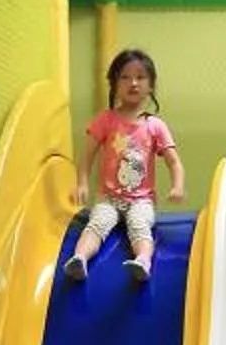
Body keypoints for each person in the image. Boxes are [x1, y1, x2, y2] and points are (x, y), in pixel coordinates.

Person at [67, 48, 183, 286]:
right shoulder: (106, 120)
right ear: (114, 84)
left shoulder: (155, 125)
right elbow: (86, 155)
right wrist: (81, 183)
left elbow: (174, 162)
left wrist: (177, 186)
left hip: (141, 200)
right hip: (108, 198)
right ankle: (80, 259)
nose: (133, 83)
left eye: (140, 77)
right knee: (96, 225)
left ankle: (143, 261)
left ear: (151, 85)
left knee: (139, 226)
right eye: (125, 77)